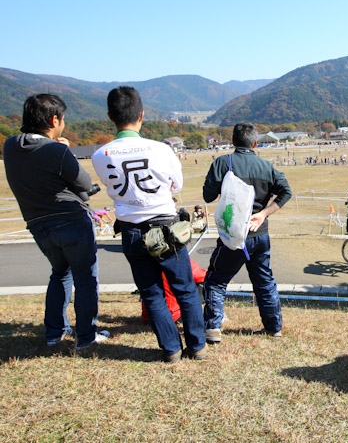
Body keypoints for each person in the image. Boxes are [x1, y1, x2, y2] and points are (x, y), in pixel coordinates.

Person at [92, 86, 206, 363]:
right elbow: (176, 184)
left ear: (110, 116)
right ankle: (197, 345)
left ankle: (171, 349)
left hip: (131, 230)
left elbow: (110, 188)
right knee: (185, 288)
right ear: (141, 114)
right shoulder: (161, 149)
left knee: (151, 293)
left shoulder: (100, 155)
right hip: (166, 229)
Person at [4, 94, 107, 349]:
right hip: (71, 219)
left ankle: (54, 332)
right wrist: (65, 150)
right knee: (85, 278)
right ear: (54, 120)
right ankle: (86, 336)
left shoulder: (9, 146)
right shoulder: (56, 150)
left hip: (38, 224)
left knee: (59, 274)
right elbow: (83, 183)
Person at [202, 122, 292, 342]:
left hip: (233, 235)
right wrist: (264, 213)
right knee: (264, 281)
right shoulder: (267, 166)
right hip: (259, 233)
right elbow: (286, 192)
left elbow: (207, 196)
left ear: (233, 142)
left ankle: (213, 328)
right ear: (255, 143)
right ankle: (274, 327)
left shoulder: (223, 162)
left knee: (216, 280)